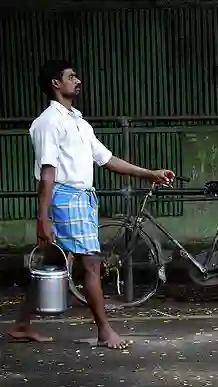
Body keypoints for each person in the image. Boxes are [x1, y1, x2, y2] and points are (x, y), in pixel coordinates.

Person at [7, 60, 174, 349]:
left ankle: (22, 325)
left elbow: (107, 160)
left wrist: (151, 174)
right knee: (91, 264)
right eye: (71, 76)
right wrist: (42, 217)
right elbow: (47, 172)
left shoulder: (79, 123)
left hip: (81, 198)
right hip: (65, 196)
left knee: (54, 260)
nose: (78, 80)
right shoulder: (49, 122)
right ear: (56, 84)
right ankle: (104, 331)